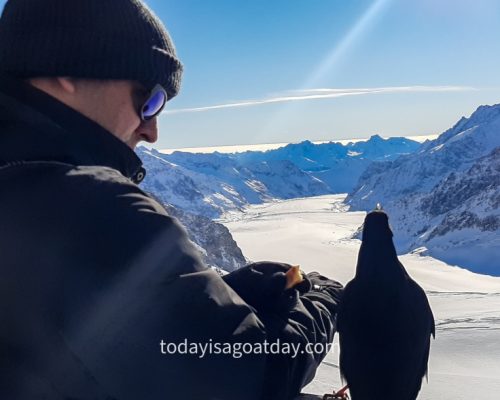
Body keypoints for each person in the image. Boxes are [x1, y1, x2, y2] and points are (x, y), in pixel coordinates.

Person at [0, 1, 343, 399]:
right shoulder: (89, 206)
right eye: (149, 98)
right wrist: (321, 301)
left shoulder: (21, 189)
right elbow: (254, 380)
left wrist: (214, 297)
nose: (152, 130)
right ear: (64, 66)